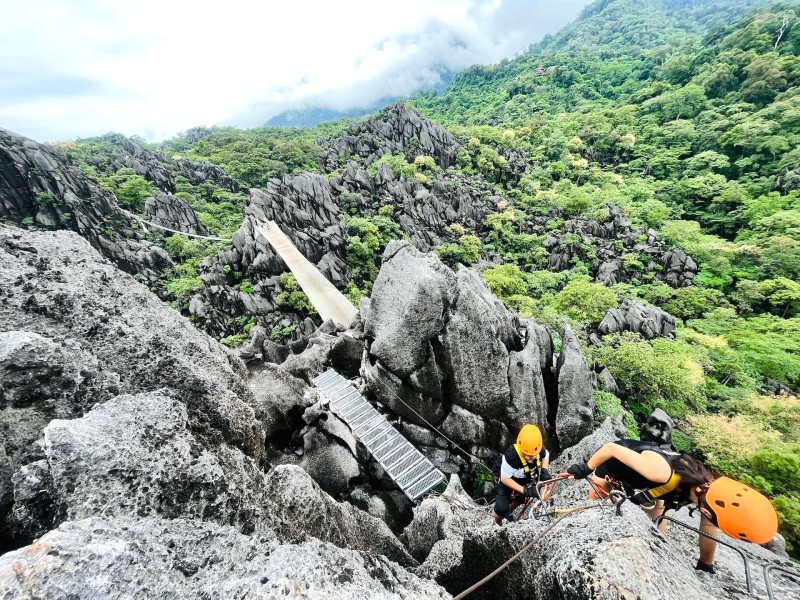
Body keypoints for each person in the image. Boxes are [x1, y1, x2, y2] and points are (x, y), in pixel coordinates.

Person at [562, 439, 779, 573]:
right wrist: (585, 468)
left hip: (655, 486)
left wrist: (705, 564)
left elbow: (709, 528)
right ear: (705, 509)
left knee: (655, 527)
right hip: (614, 464)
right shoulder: (661, 472)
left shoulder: (706, 490)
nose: (710, 520)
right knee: (593, 508)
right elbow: (611, 448)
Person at [491, 424, 552, 525]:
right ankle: (497, 522)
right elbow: (505, 478)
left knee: (520, 498)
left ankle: (508, 516)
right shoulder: (511, 456)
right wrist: (525, 490)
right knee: (501, 508)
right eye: (525, 454)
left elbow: (546, 456)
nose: (528, 457)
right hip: (504, 476)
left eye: (531, 455)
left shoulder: (538, 449)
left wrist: (544, 471)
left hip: (523, 475)